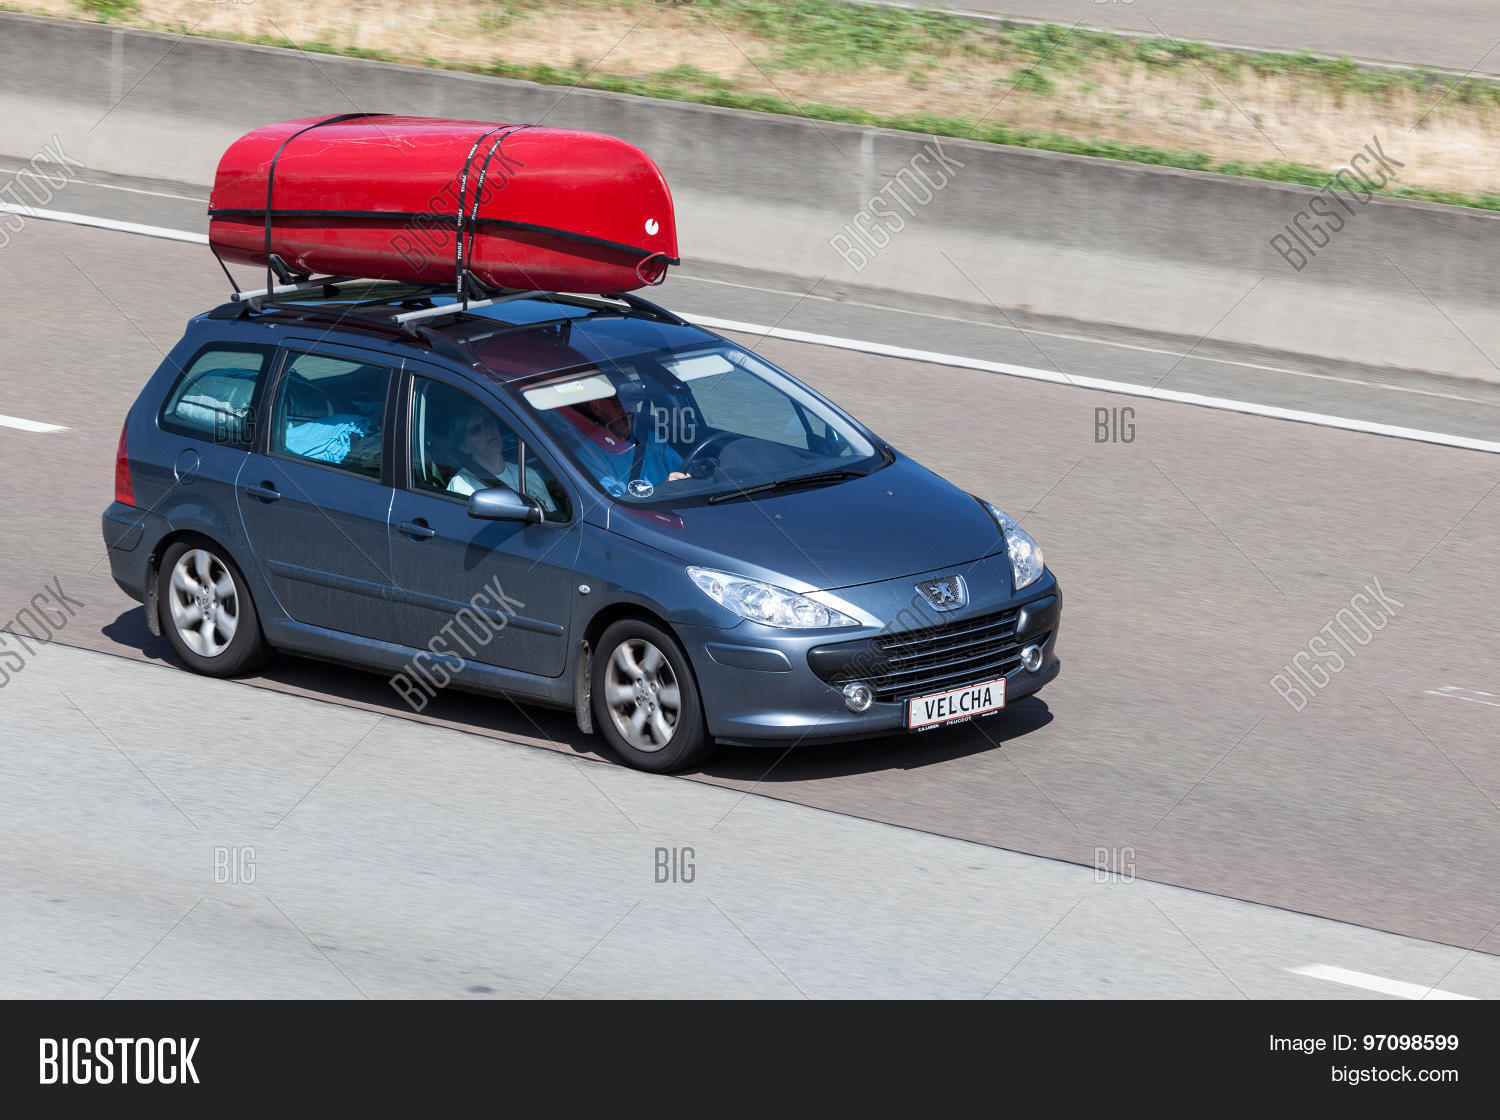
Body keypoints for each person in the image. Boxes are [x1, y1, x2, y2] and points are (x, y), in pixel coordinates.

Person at [556, 391, 690, 498]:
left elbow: (687, 476)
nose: (627, 407)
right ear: (596, 407)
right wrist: (664, 490)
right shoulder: (589, 456)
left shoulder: (653, 440)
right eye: (617, 402)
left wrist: (683, 481)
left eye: (632, 400)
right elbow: (616, 509)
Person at [445, 404, 559, 515]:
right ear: (464, 447)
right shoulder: (460, 485)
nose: (487, 430)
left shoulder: (528, 474)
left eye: (488, 422)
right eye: (476, 430)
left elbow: (552, 517)